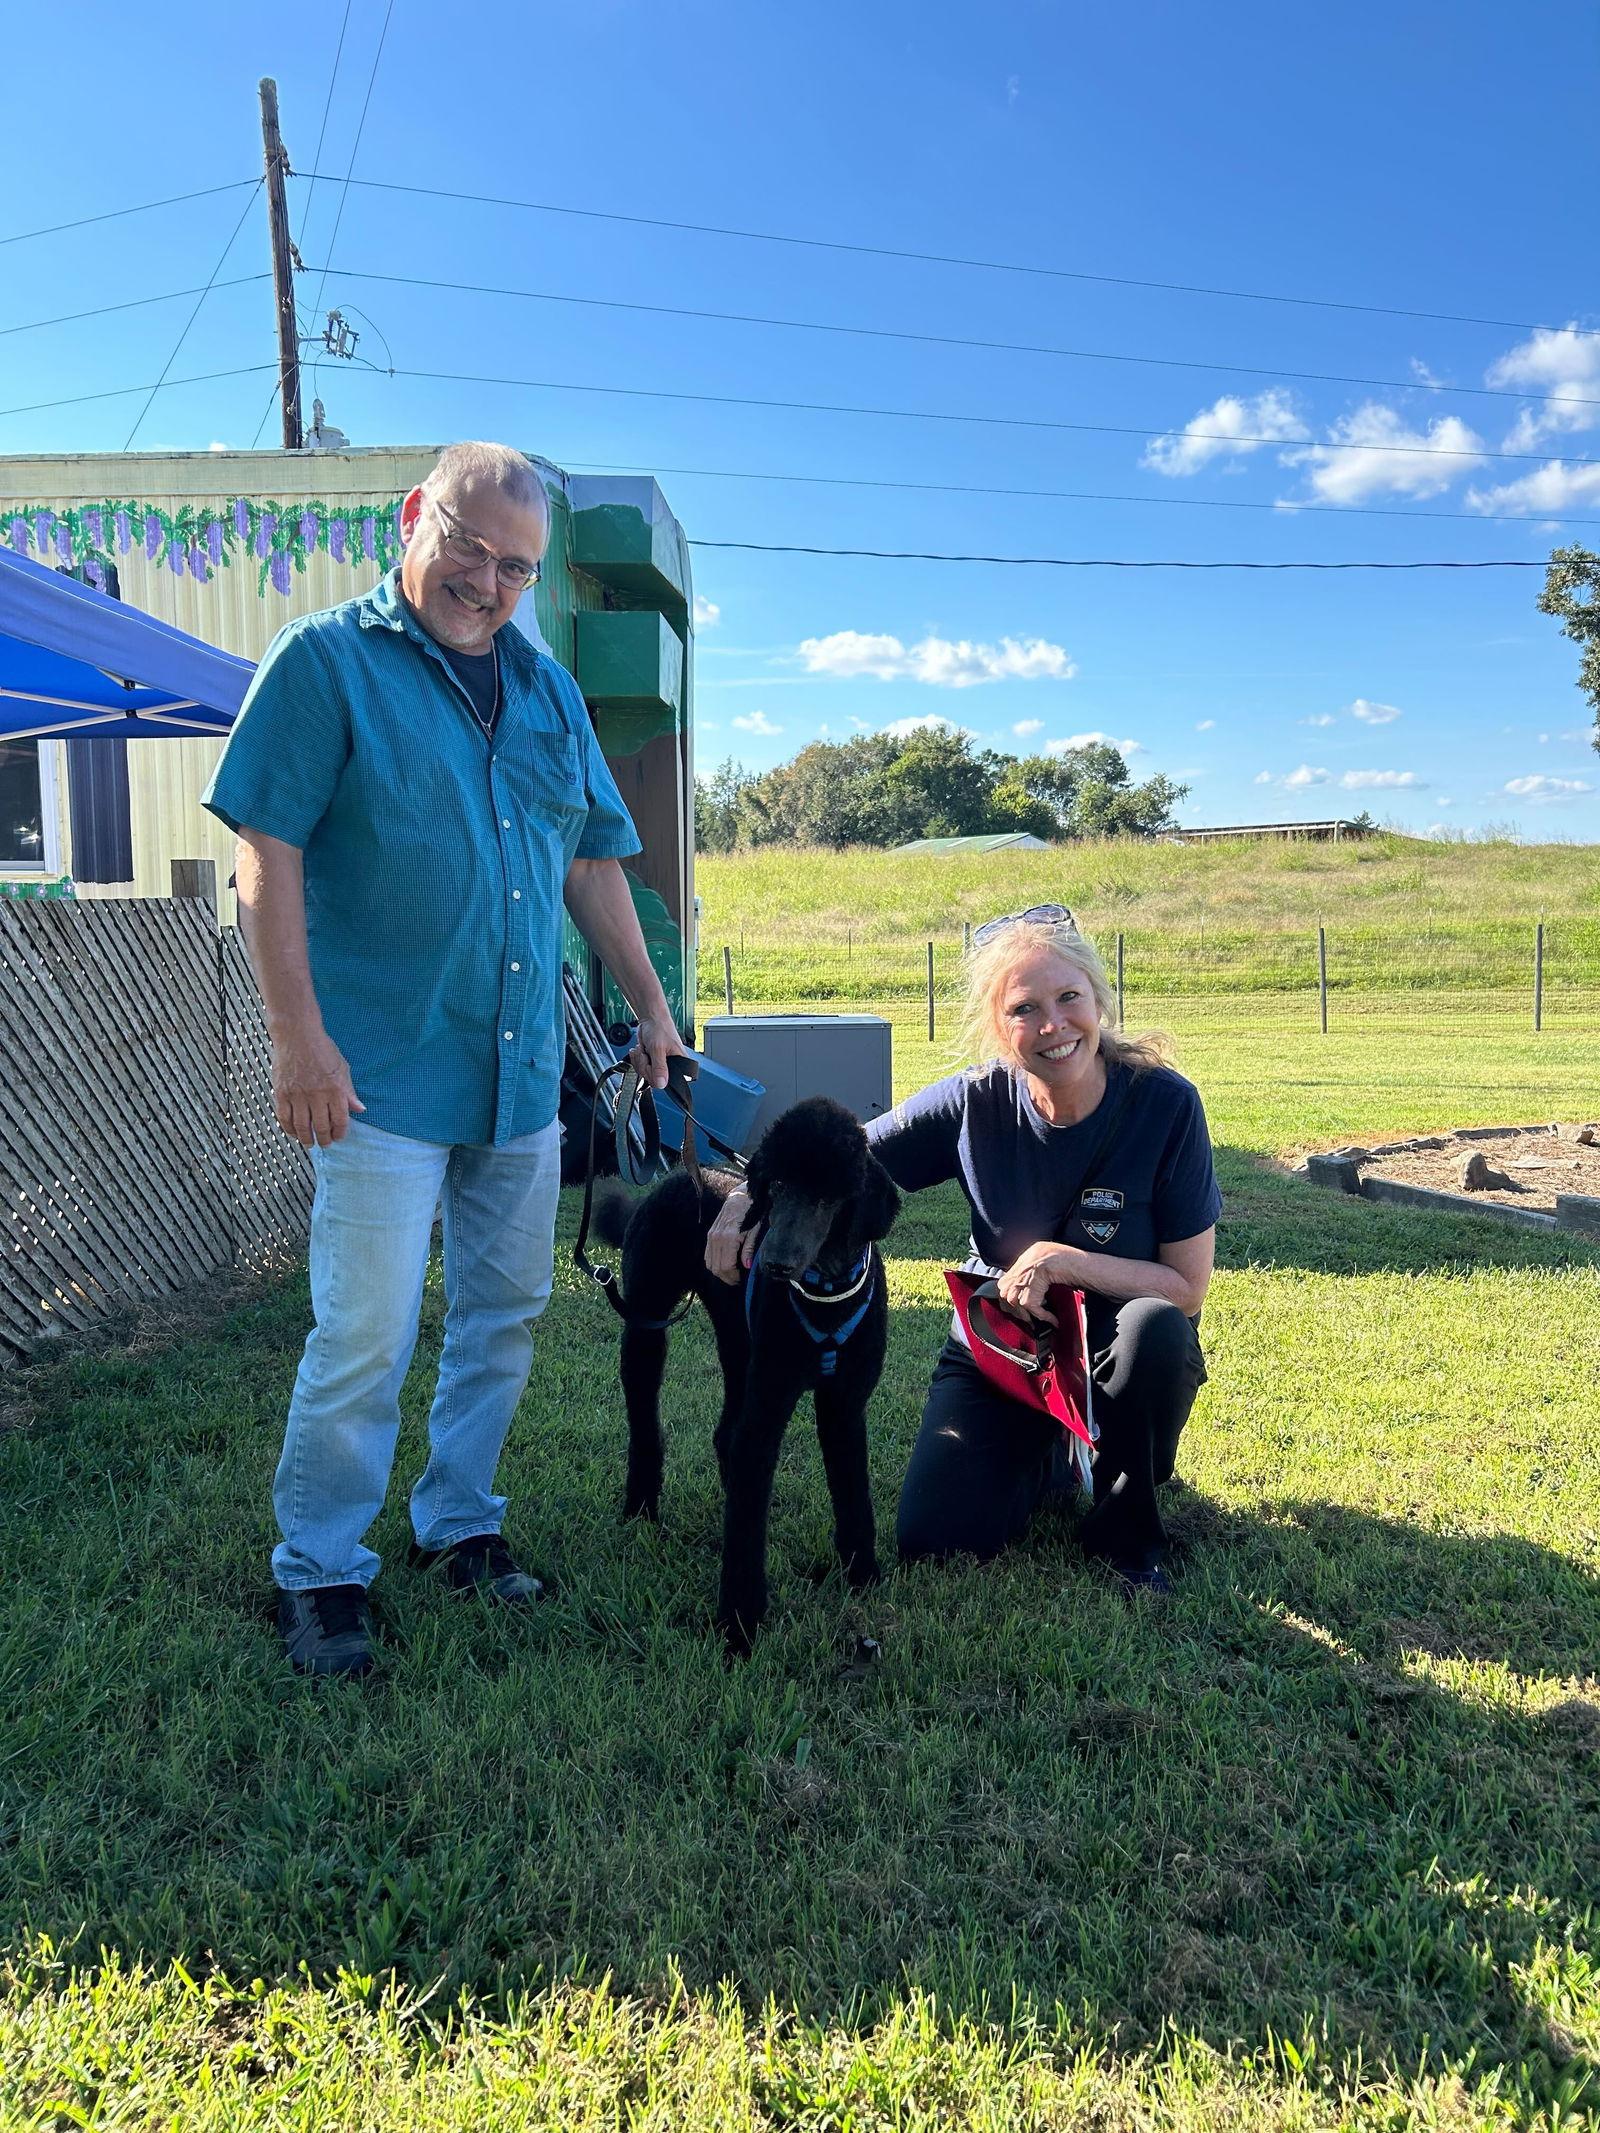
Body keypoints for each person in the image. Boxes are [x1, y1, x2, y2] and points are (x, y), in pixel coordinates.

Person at [203, 442, 689, 1678]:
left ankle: (459, 1524)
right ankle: (320, 1572)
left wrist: (650, 1005)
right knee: (364, 1331)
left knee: (501, 1319)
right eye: (467, 546)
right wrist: (296, 1036)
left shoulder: (549, 695)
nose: (486, 580)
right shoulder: (325, 664)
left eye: (515, 566)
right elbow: (269, 851)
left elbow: (591, 863)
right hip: (374, 1075)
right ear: (414, 518)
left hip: (521, 1078)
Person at [705, 906, 1218, 1590]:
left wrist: (1060, 1259)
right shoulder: (974, 1101)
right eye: (1024, 1008)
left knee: (1154, 1329)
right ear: (998, 1027)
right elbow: (835, 1149)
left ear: (1099, 997)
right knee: (936, 1536)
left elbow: (1185, 1287)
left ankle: (1127, 1531)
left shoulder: (1167, 1105)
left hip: (1116, 1351)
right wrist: (746, 1195)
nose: (1052, 1025)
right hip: (1006, 1346)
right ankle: (1050, 1456)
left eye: (1069, 997)